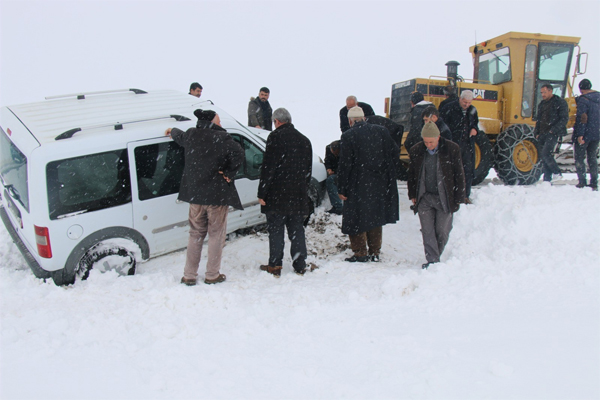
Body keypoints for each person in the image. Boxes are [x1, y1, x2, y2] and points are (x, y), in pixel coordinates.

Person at [166, 109, 244, 286]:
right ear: (212, 122)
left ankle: (189, 275)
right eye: (219, 121)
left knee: (195, 234)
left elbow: (179, 136)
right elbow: (239, 153)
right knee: (216, 235)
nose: (221, 124)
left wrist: (171, 130)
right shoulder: (222, 138)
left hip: (195, 196)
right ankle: (212, 275)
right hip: (216, 197)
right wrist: (229, 173)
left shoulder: (192, 135)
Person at [337, 106, 400, 262]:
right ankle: (375, 251)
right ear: (364, 118)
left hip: (357, 184)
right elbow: (394, 151)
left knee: (356, 217)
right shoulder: (382, 131)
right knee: (375, 216)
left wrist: (342, 188)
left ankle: (360, 253)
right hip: (378, 183)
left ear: (350, 121)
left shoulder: (348, 136)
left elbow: (345, 165)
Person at [257, 108, 315, 276]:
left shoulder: (275, 138)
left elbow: (268, 168)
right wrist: (301, 188)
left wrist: (262, 192)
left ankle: (275, 265)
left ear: (277, 121)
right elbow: (308, 172)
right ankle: (299, 264)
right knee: (297, 230)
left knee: (276, 230)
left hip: (276, 194)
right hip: (297, 194)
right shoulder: (305, 140)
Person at [408, 121, 466, 269]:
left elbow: (459, 174)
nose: (428, 145)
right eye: (426, 142)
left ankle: (436, 255)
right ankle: (432, 260)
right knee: (427, 230)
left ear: (438, 137)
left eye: (431, 142)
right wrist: (412, 193)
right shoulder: (416, 151)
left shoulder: (451, 149)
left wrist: (459, 197)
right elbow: (412, 175)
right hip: (424, 197)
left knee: (442, 230)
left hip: (444, 197)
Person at [442, 90, 479, 201]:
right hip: (453, 144)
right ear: (460, 99)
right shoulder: (449, 108)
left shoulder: (472, 110)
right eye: (465, 102)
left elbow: (475, 123)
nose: (466, 105)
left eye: (469, 103)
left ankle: (465, 195)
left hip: (467, 144)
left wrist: (474, 129)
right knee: (452, 170)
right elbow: (443, 125)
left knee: (466, 170)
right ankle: (451, 195)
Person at [533, 84, 569, 182]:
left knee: (546, 153)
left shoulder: (560, 102)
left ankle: (557, 172)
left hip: (553, 132)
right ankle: (547, 179)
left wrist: (554, 130)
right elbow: (539, 119)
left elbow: (564, 118)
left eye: (544, 92)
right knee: (542, 155)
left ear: (550, 91)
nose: (543, 95)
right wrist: (537, 132)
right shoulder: (542, 104)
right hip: (542, 133)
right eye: (541, 93)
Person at [573, 79, 599, 191]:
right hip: (597, 133)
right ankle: (594, 182)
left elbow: (582, 118)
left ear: (581, 89)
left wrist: (580, 134)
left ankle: (582, 182)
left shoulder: (584, 100)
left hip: (585, 133)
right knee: (592, 157)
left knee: (579, 157)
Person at [324, 140, 343, 215]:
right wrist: (328, 168)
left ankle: (338, 207)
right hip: (334, 171)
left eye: (337, 153)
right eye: (334, 153)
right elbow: (327, 160)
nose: (335, 155)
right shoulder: (328, 149)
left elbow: (345, 165)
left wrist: (335, 172)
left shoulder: (346, 149)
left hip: (343, 173)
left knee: (330, 180)